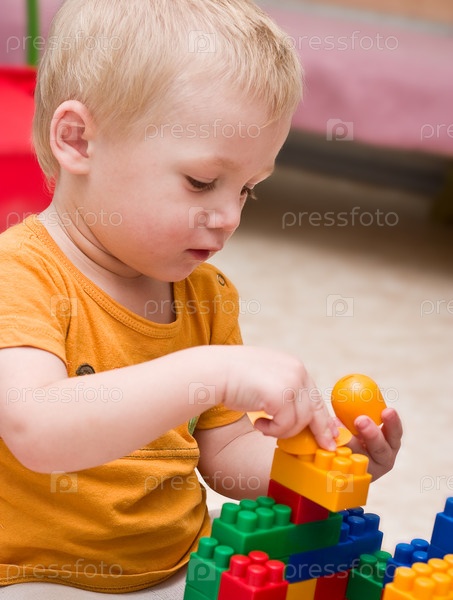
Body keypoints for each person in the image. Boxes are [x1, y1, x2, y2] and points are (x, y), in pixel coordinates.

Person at [0, 0, 403, 596]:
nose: (229, 217)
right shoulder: (20, 273)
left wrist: (324, 466)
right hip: (37, 578)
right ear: (79, 140)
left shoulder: (206, 297)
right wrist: (211, 372)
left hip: (181, 565)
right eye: (201, 182)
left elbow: (226, 453)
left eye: (247, 190)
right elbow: (37, 429)